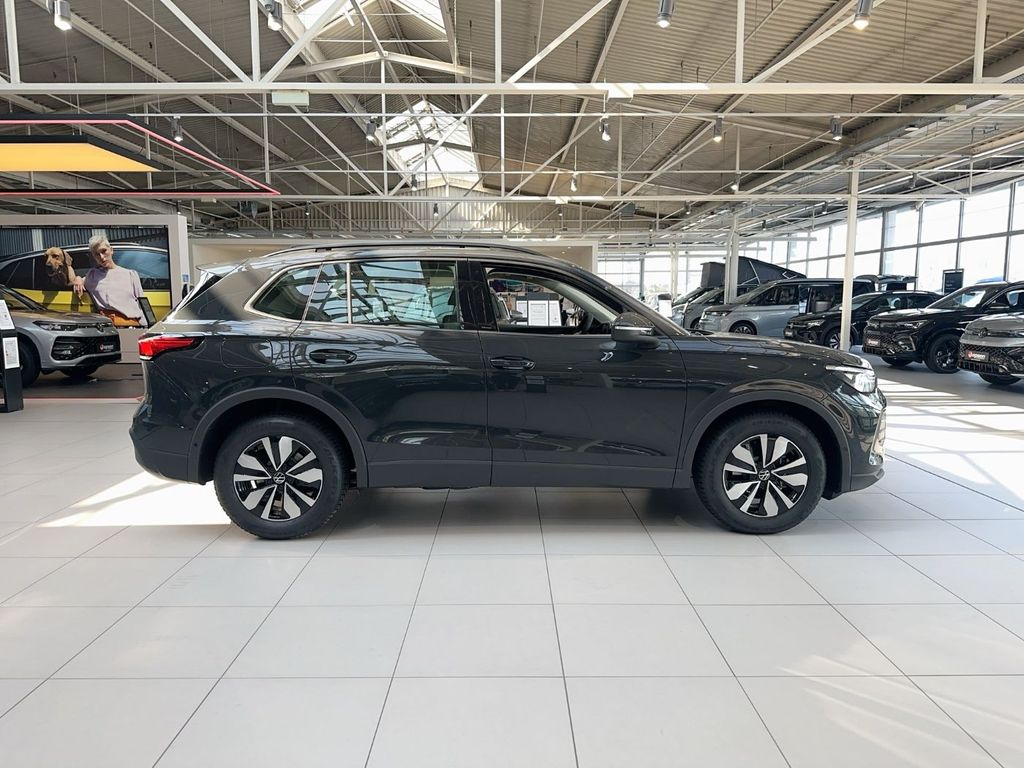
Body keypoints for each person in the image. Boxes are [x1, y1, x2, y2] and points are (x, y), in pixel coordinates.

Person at [72, 236, 148, 327]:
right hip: (106, 326)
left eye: (104, 251)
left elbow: (142, 303)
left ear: (111, 250)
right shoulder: (92, 275)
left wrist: (145, 326)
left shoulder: (130, 275)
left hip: (131, 324)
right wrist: (77, 278)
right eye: (97, 254)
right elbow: (74, 281)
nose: (102, 257)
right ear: (94, 257)